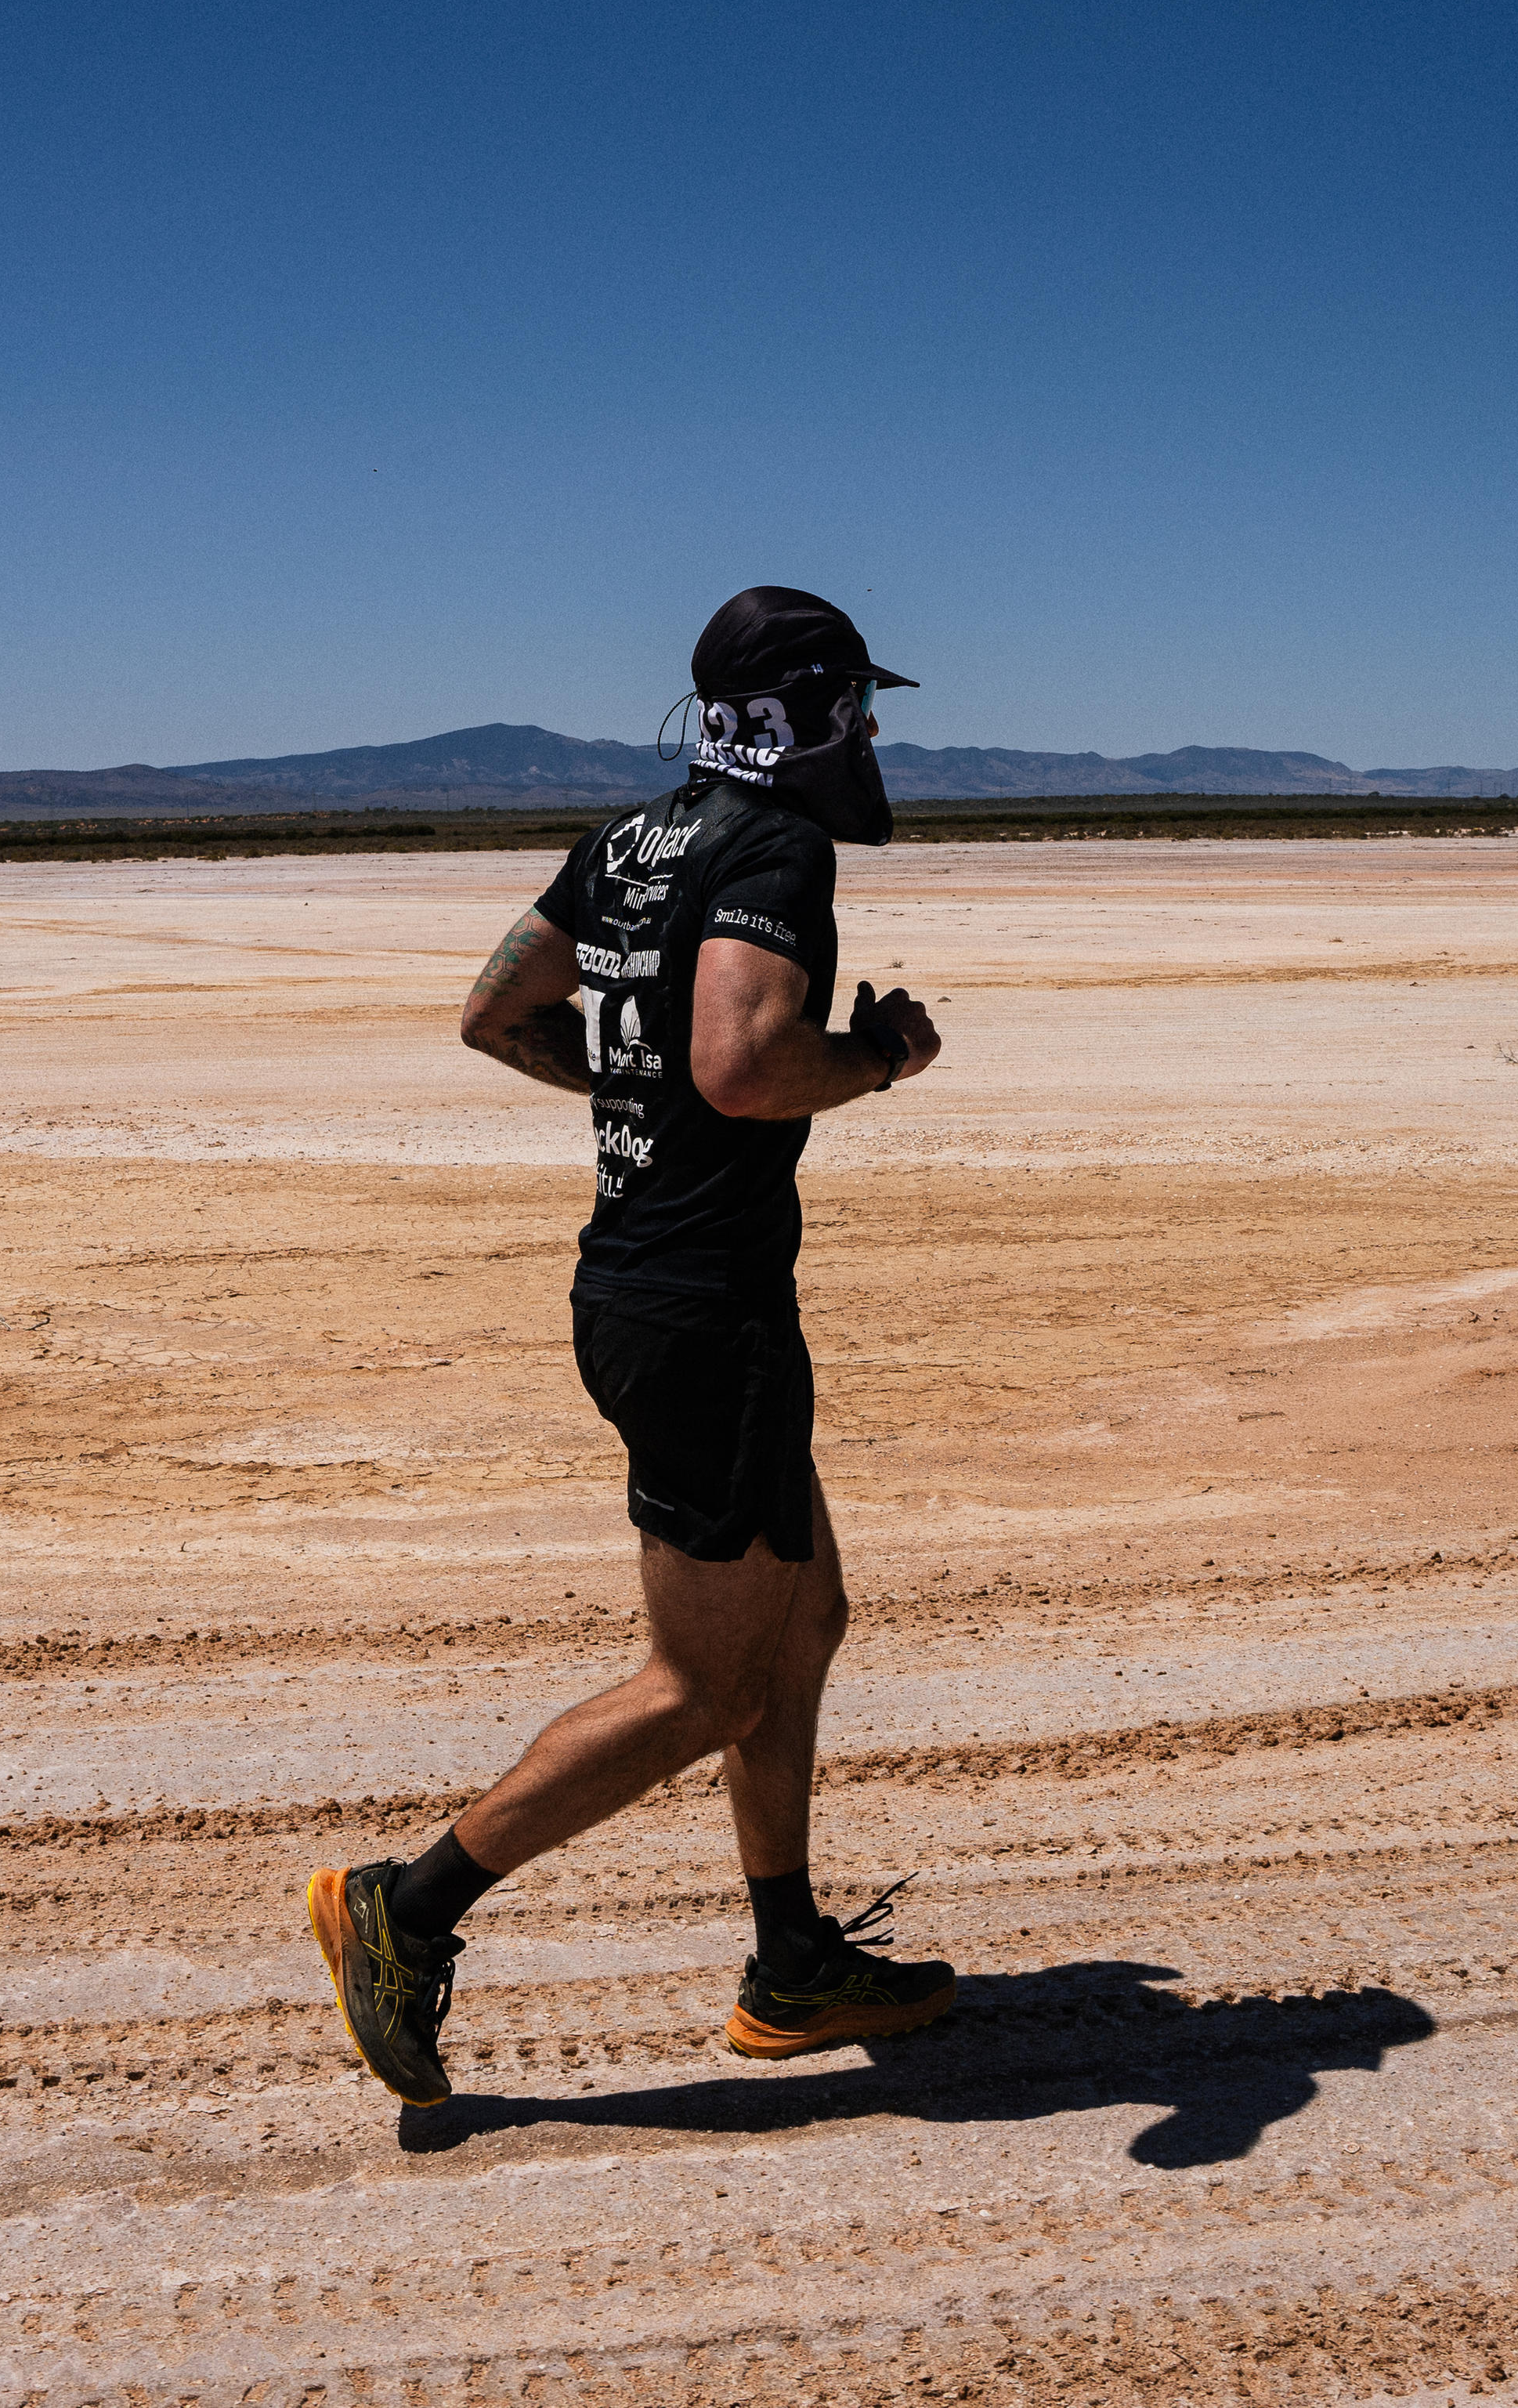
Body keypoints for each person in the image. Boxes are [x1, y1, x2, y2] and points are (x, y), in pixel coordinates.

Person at [305, 586, 956, 2109]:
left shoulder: (632, 841)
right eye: (856, 703)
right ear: (811, 710)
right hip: (699, 1315)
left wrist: (638, 1091)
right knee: (700, 1682)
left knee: (800, 1625)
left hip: (663, 1294)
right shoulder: (773, 847)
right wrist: (874, 1058)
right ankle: (403, 1909)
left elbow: (492, 1011)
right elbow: (740, 1060)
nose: (868, 731)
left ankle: (792, 1958)